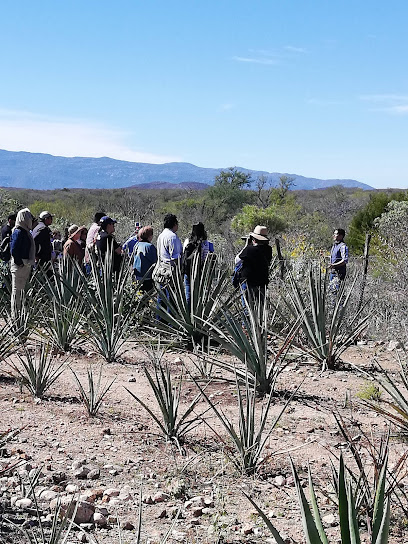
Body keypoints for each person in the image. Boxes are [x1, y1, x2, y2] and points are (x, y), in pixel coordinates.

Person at [10, 209, 36, 318]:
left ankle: (19, 317)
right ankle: (15, 318)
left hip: (24, 265)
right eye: (28, 217)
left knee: (20, 293)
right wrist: (20, 263)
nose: (30, 219)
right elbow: (14, 250)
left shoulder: (24, 231)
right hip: (20, 266)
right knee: (17, 293)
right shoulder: (19, 231)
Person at [237, 225, 272, 302]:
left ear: (254, 239)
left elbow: (237, 260)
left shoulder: (249, 249)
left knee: (248, 308)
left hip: (248, 283)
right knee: (260, 306)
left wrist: (246, 245)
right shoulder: (269, 249)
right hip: (262, 283)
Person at [182, 222, 214, 306]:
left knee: (188, 294)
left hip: (188, 271)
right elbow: (206, 259)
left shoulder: (187, 241)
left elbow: (183, 255)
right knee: (200, 294)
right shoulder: (207, 244)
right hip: (201, 272)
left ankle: (188, 313)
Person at [133, 226, 157, 291]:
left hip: (137, 276)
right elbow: (155, 261)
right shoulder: (150, 247)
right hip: (147, 277)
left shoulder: (137, 245)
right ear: (150, 236)